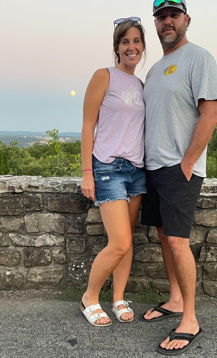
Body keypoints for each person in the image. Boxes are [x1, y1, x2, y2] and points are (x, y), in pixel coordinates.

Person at [141, 0, 217, 355]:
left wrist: (188, 162)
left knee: (177, 240)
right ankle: (174, 299)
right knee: (163, 236)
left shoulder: (199, 58)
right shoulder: (155, 68)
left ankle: (189, 317)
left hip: (179, 168)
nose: (167, 22)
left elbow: (210, 113)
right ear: (155, 24)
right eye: (161, 17)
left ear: (186, 19)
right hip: (154, 167)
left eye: (173, 15)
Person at [80, 17, 146, 326]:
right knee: (118, 242)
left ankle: (118, 297)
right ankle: (90, 297)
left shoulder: (141, 85)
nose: (131, 47)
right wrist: (87, 172)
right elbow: (87, 125)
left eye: (136, 41)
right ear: (117, 48)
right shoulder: (103, 76)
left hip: (136, 170)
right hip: (108, 167)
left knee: (128, 240)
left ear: (142, 46)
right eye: (125, 42)